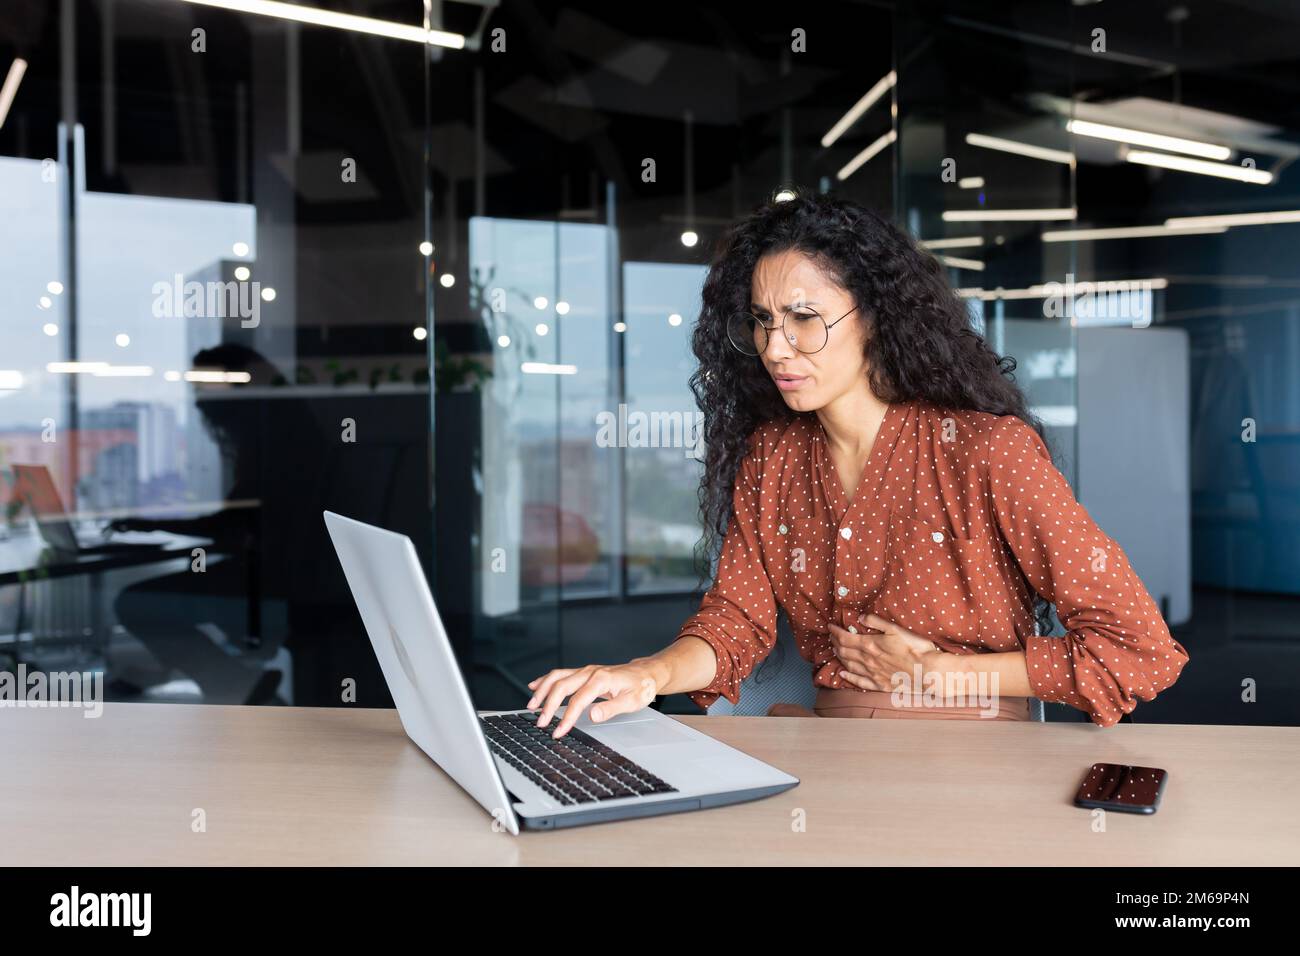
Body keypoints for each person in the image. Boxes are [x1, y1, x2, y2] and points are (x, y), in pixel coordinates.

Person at [527, 189, 1190, 738]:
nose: (776, 348)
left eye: (804, 318)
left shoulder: (989, 452)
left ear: (874, 316)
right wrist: (646, 675)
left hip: (978, 760)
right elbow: (735, 622)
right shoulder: (773, 458)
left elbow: (1138, 651)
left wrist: (943, 673)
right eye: (762, 321)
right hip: (833, 752)